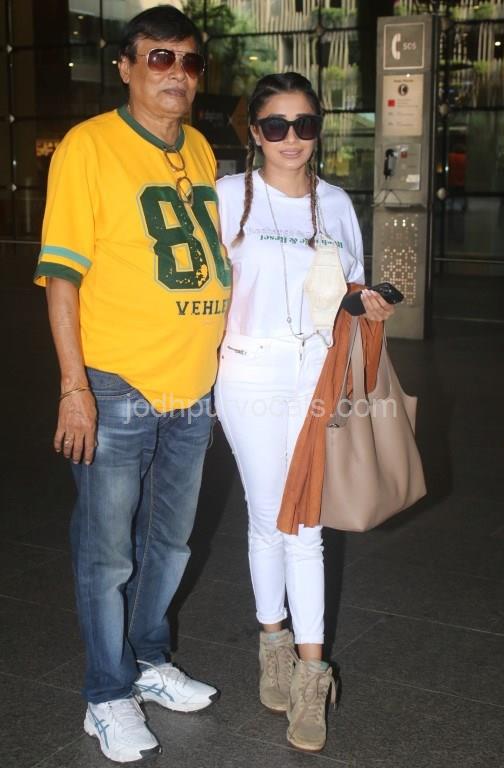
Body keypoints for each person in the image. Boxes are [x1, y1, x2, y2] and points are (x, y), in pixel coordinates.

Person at [34, 6, 231, 764]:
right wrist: (73, 387)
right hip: (116, 382)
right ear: (125, 66)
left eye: (189, 60)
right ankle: (107, 692)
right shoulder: (89, 146)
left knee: (170, 543)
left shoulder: (200, 147)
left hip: (192, 387)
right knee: (107, 552)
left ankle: (148, 660)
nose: (177, 73)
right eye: (159, 58)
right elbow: (61, 276)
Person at [214, 72, 394, 753]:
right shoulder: (227, 197)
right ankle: (273, 644)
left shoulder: (337, 203)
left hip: (316, 371)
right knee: (269, 516)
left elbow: (345, 292)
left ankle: (312, 675)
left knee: (308, 522)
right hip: (248, 368)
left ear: (319, 130)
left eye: (305, 124)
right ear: (255, 132)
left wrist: (366, 303)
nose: (292, 138)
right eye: (276, 125)